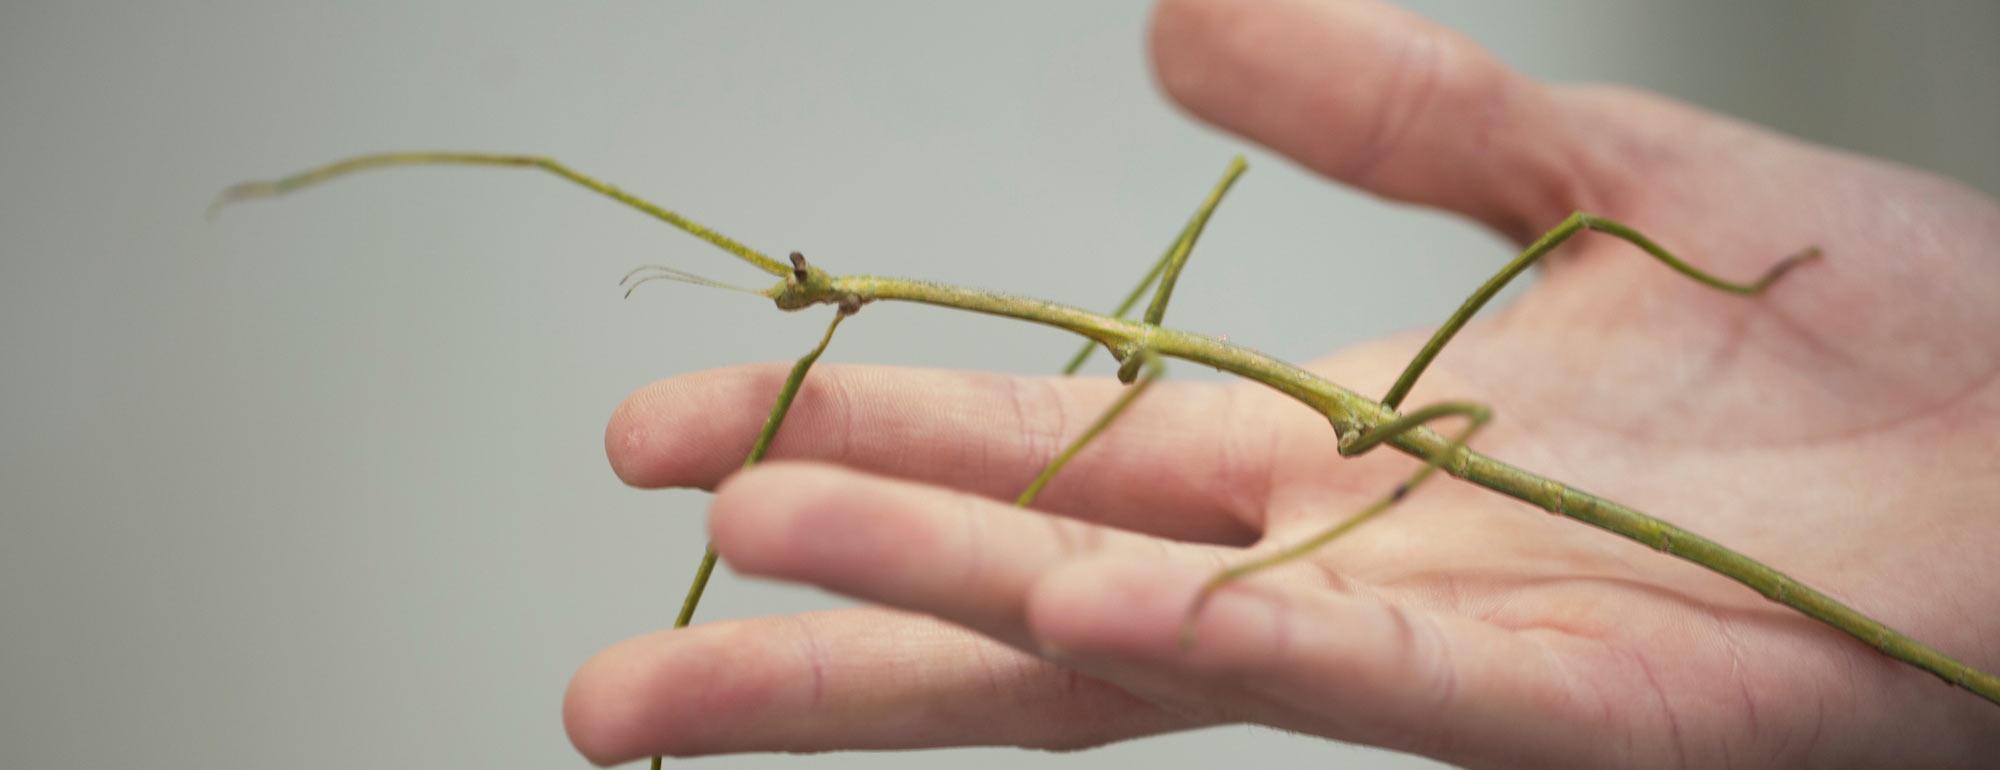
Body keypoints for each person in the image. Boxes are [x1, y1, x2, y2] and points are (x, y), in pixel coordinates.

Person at [562, 0, 2000, 766]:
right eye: (817, 295)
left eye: (815, 286)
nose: (815, 299)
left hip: (1455, 437)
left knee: (1573, 230)